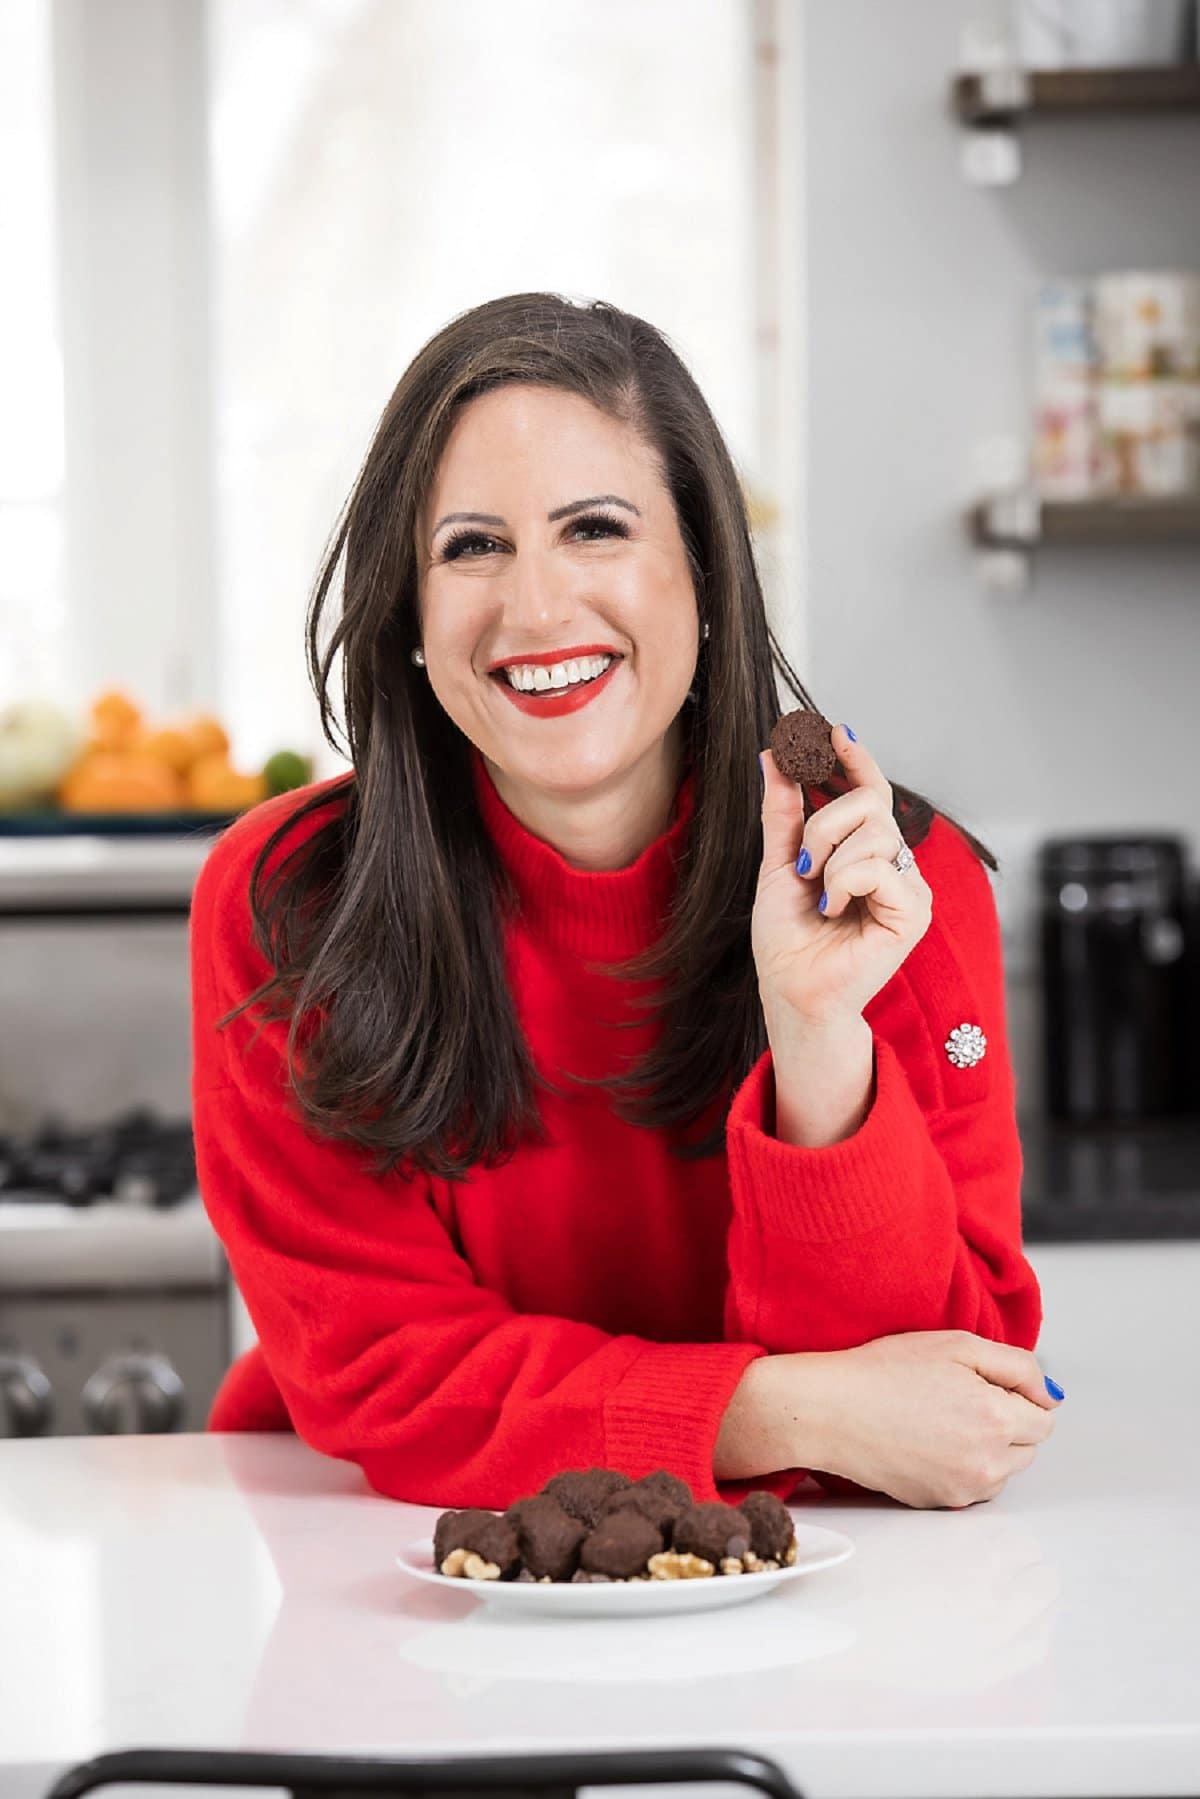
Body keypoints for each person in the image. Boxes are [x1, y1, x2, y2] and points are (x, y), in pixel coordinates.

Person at [190, 292, 1062, 1514]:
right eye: (473, 546)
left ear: (703, 571)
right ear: (411, 613)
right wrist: (788, 1411)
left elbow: (942, 1396)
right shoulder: (289, 902)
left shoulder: (892, 885)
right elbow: (383, 1369)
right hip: (384, 1550)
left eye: (594, 529)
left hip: (826, 1577)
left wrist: (820, 1040)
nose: (538, 609)